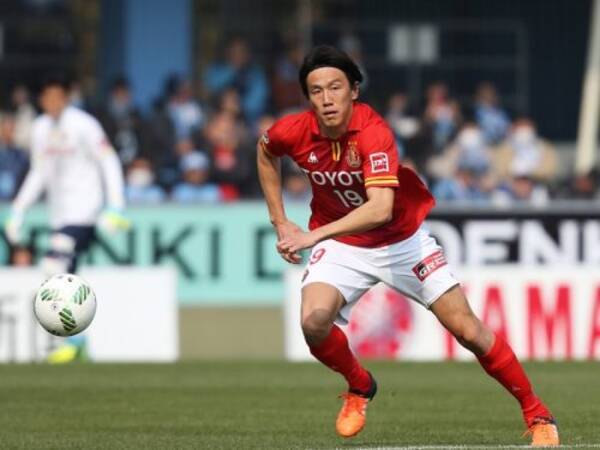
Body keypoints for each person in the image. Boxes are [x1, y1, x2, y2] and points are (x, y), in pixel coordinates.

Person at [256, 45, 559, 447]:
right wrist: (280, 221)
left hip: (400, 241)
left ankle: (538, 413)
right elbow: (265, 151)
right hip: (342, 243)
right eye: (316, 90)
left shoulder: (373, 132)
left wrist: (310, 236)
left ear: (354, 91)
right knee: (313, 322)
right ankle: (360, 385)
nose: (326, 98)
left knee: (468, 330)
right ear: (308, 97)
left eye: (335, 87)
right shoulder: (293, 130)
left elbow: (380, 209)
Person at [4, 76, 129, 362]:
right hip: (59, 213)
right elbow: (38, 172)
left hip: (85, 210)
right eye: (48, 97)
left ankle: (74, 338)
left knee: (54, 263)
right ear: (42, 100)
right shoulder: (40, 129)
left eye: (58, 97)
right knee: (62, 273)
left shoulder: (84, 124)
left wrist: (116, 205)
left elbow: (108, 159)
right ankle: (76, 339)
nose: (53, 103)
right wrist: (18, 210)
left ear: (66, 98)